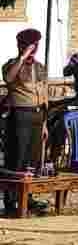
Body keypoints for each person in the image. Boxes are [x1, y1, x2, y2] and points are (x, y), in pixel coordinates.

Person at [3, 29, 48, 215]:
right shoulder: (11, 65)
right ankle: (11, 201)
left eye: (35, 45)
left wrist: (45, 124)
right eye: (29, 45)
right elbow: (8, 78)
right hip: (20, 116)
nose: (33, 49)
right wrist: (22, 57)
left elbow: (44, 94)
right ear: (20, 45)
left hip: (38, 115)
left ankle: (28, 198)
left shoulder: (40, 67)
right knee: (17, 159)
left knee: (33, 160)